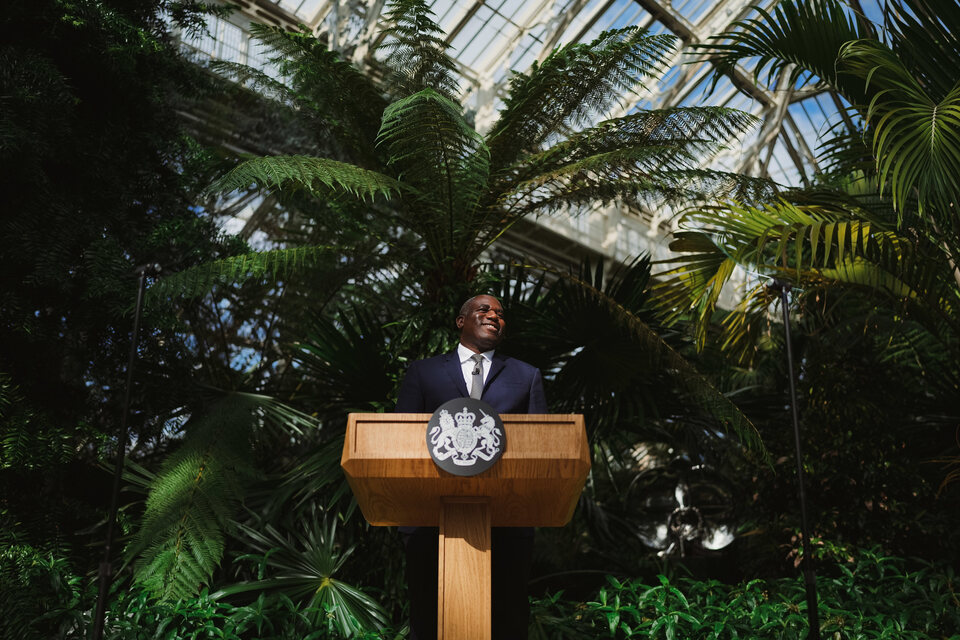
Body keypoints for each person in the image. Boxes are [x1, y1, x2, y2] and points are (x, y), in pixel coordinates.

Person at [395, 294, 547, 640]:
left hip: (507, 521)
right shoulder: (424, 371)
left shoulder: (526, 376)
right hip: (430, 519)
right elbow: (400, 435)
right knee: (429, 619)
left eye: (500, 313)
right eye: (484, 309)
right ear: (461, 320)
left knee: (507, 620)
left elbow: (541, 445)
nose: (495, 315)